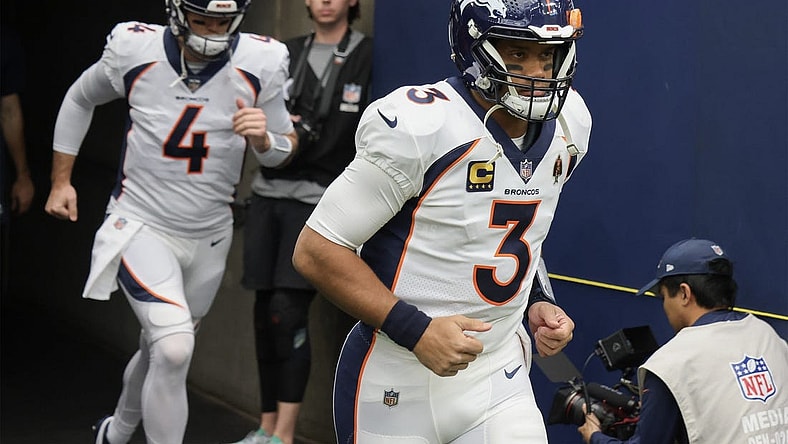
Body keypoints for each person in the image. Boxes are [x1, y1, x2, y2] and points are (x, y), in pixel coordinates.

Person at [292, 0, 589, 441]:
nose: (538, 71)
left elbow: (520, 229)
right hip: (396, 377)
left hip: (497, 374)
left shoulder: (570, 122)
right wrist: (417, 331)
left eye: (547, 55)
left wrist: (537, 299)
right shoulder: (422, 123)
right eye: (517, 53)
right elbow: (316, 250)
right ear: (475, 49)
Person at [43, 0, 298, 442]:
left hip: (210, 237)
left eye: (222, 22)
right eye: (202, 20)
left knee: (161, 347)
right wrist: (60, 180)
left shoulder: (262, 59)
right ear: (177, 13)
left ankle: (116, 432)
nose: (212, 32)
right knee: (176, 347)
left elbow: (281, 150)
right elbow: (79, 96)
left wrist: (264, 137)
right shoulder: (135, 48)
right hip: (141, 223)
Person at [230, 1, 372, 443]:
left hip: (317, 204)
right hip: (267, 196)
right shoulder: (284, 51)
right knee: (262, 314)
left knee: (286, 312)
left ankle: (284, 435)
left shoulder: (369, 55)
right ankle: (266, 426)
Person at [577, 238, 788, 444]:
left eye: (664, 297)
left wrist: (595, 436)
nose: (665, 306)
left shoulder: (670, 363)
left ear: (685, 294)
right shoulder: (768, 336)